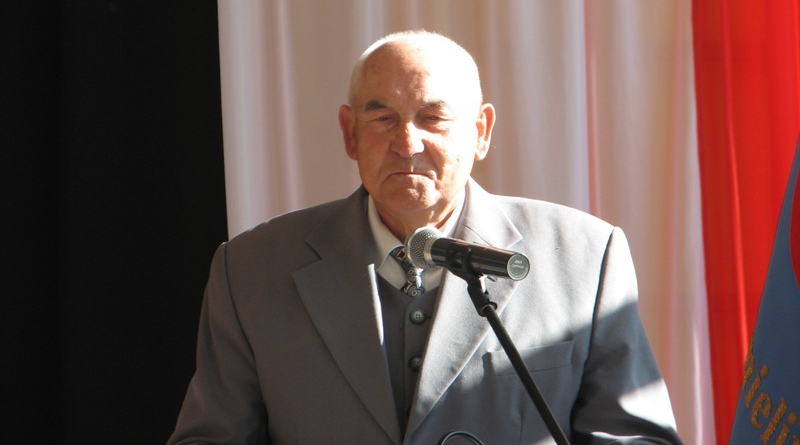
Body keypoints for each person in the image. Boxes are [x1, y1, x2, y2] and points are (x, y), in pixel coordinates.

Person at [167, 30, 683, 444]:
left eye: (433, 118)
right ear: (350, 133)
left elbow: (634, 437)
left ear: (481, 131)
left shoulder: (585, 258)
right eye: (382, 118)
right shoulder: (251, 270)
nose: (407, 143)